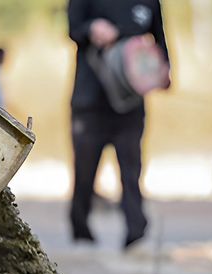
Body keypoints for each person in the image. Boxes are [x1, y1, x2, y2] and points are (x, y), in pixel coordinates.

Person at [68, 0, 170, 249]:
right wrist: (93, 28)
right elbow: (73, 29)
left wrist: (165, 71)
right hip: (89, 102)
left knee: (131, 171)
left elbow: (159, 38)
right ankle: (81, 232)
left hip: (130, 103)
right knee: (84, 173)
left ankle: (136, 234)